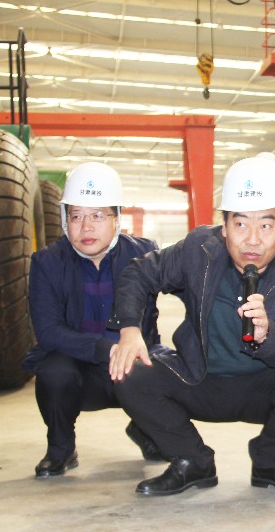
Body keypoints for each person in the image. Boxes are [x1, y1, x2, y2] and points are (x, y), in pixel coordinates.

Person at [108, 155, 275, 496]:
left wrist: (270, 335)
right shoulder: (199, 249)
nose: (252, 239)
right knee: (130, 373)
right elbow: (141, 272)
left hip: (264, 384)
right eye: (240, 224)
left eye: (265, 225)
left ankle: (271, 462)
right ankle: (192, 461)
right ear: (223, 226)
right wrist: (130, 330)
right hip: (199, 377)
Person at [23, 162, 162, 479]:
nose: (86, 227)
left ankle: (148, 430)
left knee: (171, 366)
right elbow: (48, 332)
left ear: (116, 218)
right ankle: (60, 447)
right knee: (53, 372)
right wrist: (105, 349)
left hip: (134, 368)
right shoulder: (47, 263)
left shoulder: (144, 255)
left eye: (97, 216)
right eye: (76, 216)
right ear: (65, 219)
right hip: (79, 369)